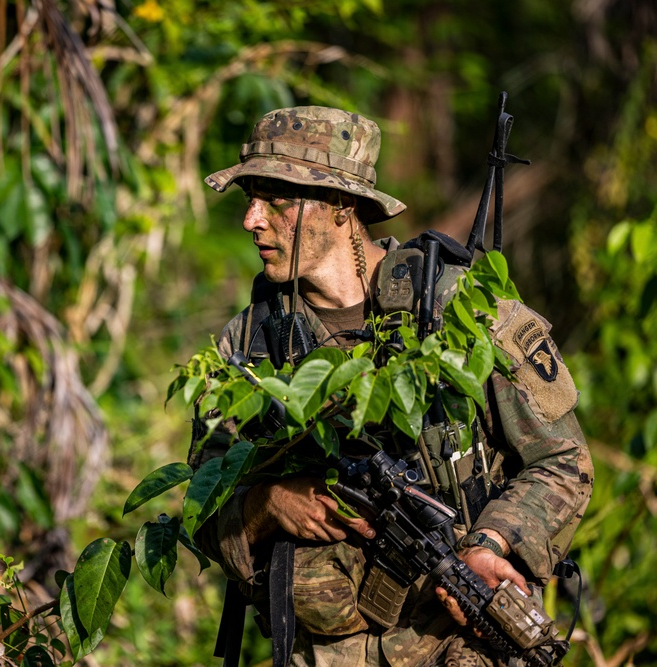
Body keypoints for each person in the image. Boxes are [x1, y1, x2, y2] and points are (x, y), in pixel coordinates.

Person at [188, 107, 593, 667]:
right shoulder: (247, 351)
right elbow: (203, 513)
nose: (251, 219)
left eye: (276, 199)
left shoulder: (460, 313)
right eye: (248, 198)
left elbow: (564, 460)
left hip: (462, 644)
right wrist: (268, 504)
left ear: (340, 208)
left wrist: (491, 543)